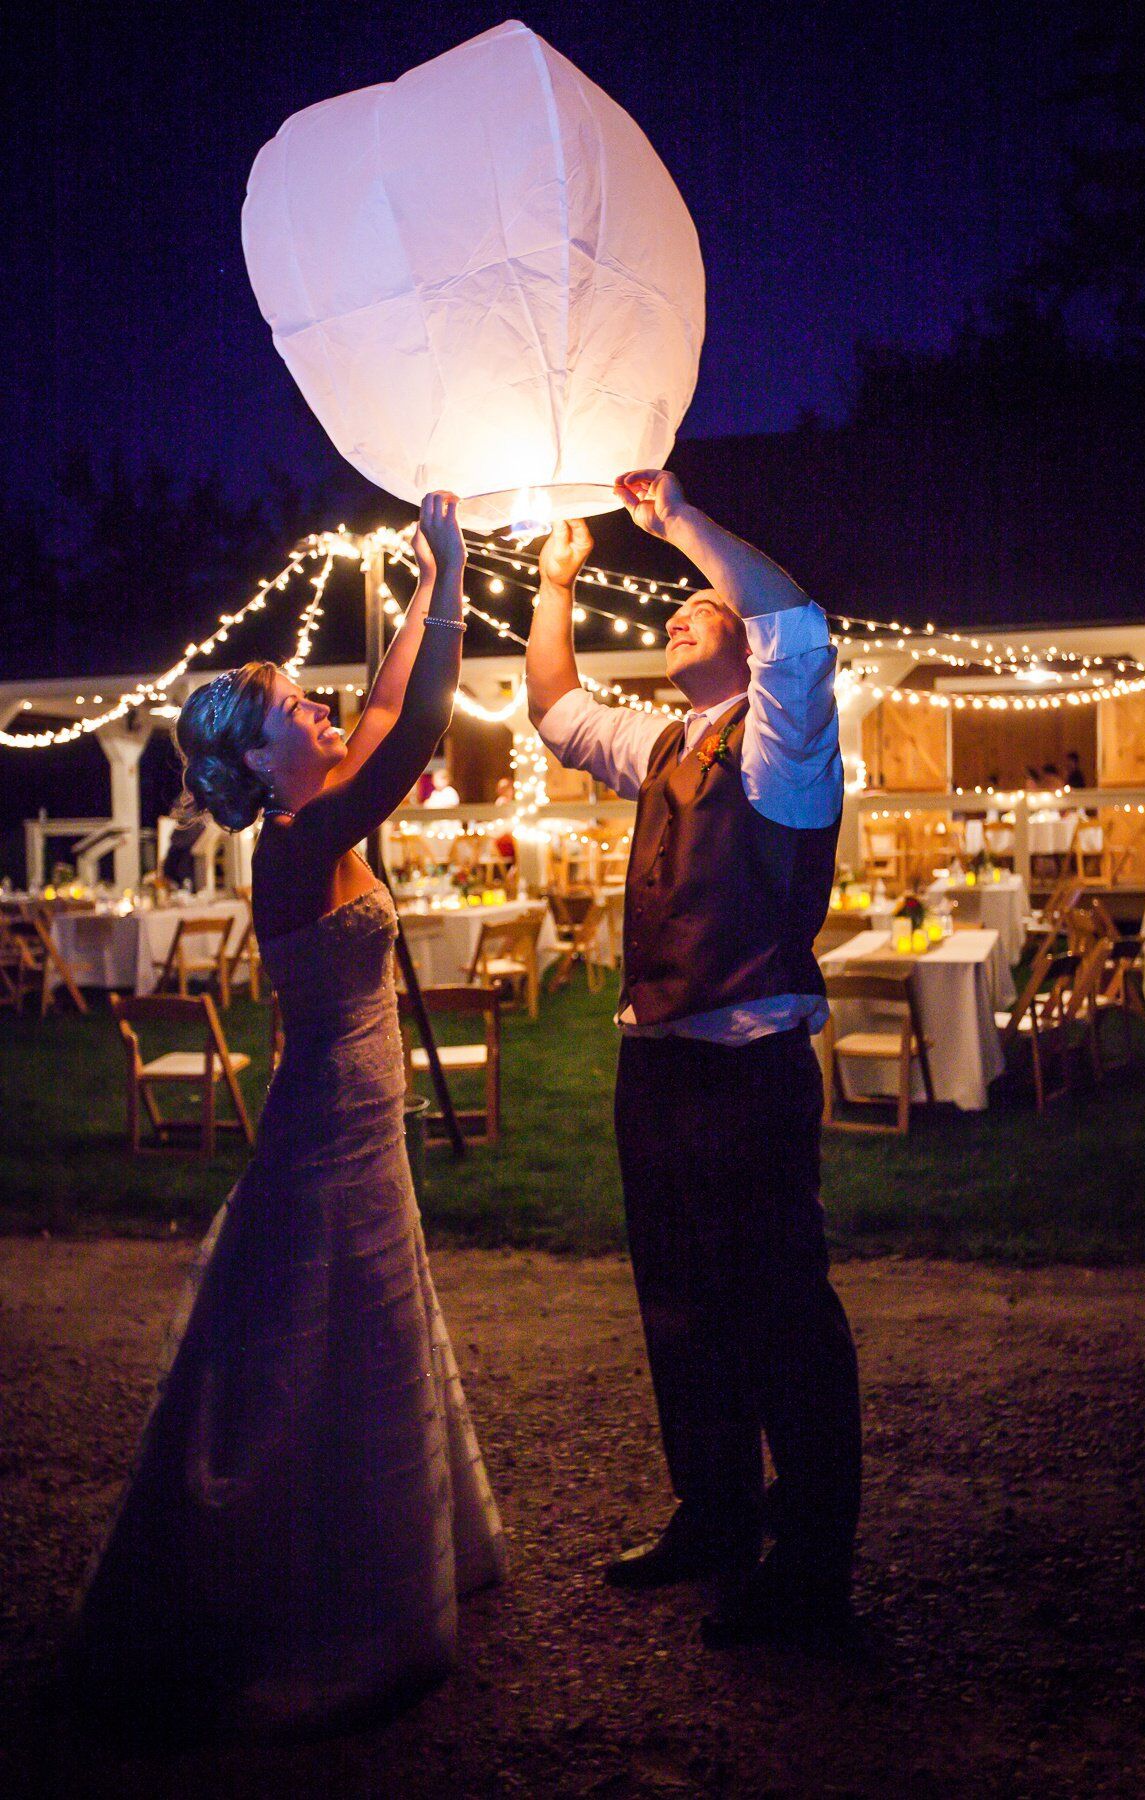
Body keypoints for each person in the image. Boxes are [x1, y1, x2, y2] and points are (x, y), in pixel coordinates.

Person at [71, 494, 506, 1734]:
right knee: (324, 1345)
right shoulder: (298, 842)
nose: (317, 704)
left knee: (360, 1335)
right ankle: (320, 1599)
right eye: (290, 709)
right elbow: (417, 718)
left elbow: (383, 700)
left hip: (361, 1115)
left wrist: (428, 579)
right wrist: (462, 570)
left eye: (306, 697)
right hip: (328, 1132)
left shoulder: (323, 803)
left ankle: (395, 1560)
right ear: (259, 764)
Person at [526, 472, 861, 1649]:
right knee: (677, 1306)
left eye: (703, 610)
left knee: (779, 1311)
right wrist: (558, 582)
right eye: (675, 602)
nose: (680, 610)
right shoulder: (661, 738)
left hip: (747, 1065)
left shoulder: (788, 745)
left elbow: (796, 625)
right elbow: (557, 707)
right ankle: (713, 1516)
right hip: (656, 1066)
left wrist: (675, 523)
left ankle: (814, 1565)